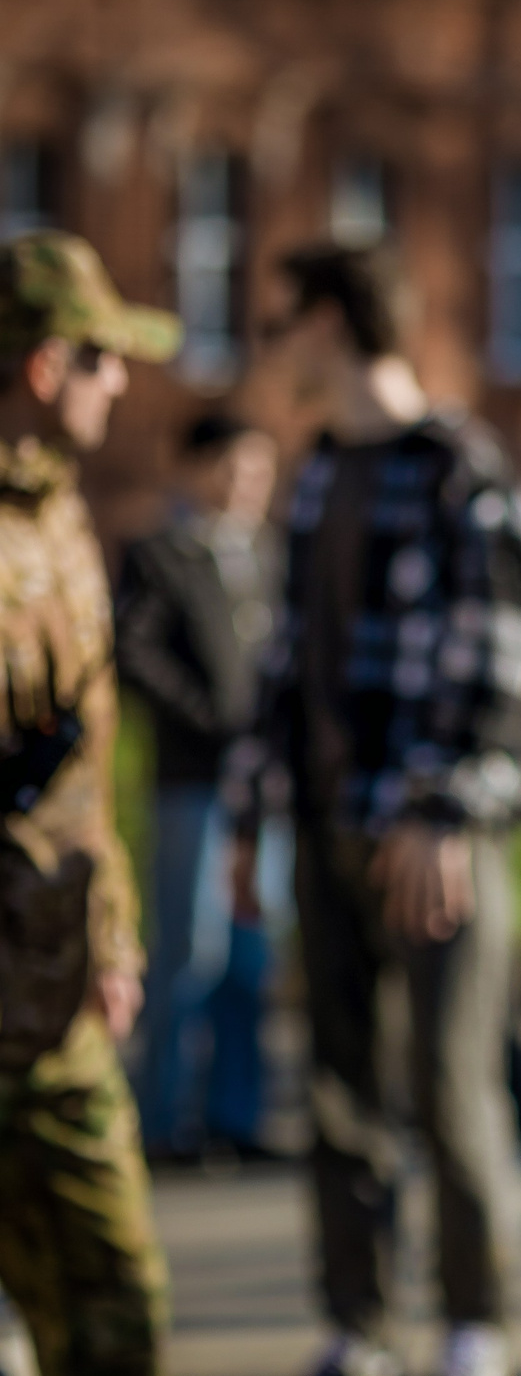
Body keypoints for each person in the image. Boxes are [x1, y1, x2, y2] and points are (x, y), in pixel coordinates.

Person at [229, 243, 521, 1376]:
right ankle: (357, 1332)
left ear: (328, 321)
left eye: (280, 326)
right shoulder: (318, 476)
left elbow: (506, 668)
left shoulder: (465, 473)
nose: (274, 353)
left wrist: (439, 809)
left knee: (452, 1089)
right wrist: (249, 812)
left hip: (436, 842)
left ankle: (475, 1333)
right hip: (323, 832)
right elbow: (284, 660)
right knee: (336, 1093)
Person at [0, 231, 177, 1376]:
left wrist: (109, 937)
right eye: (107, 360)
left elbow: (86, 764)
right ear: (46, 362)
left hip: (51, 1003)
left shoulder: (58, 509)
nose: (124, 384)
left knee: (117, 1321)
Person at [116, 412, 282, 1165]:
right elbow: (135, 650)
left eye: (259, 472)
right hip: (194, 779)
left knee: (252, 956)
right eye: (233, 469)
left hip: (262, 789)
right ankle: (162, 1118)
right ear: (197, 466)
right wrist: (207, 716)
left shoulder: (268, 554)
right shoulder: (161, 553)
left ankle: (237, 1114)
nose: (247, 486)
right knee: (190, 952)